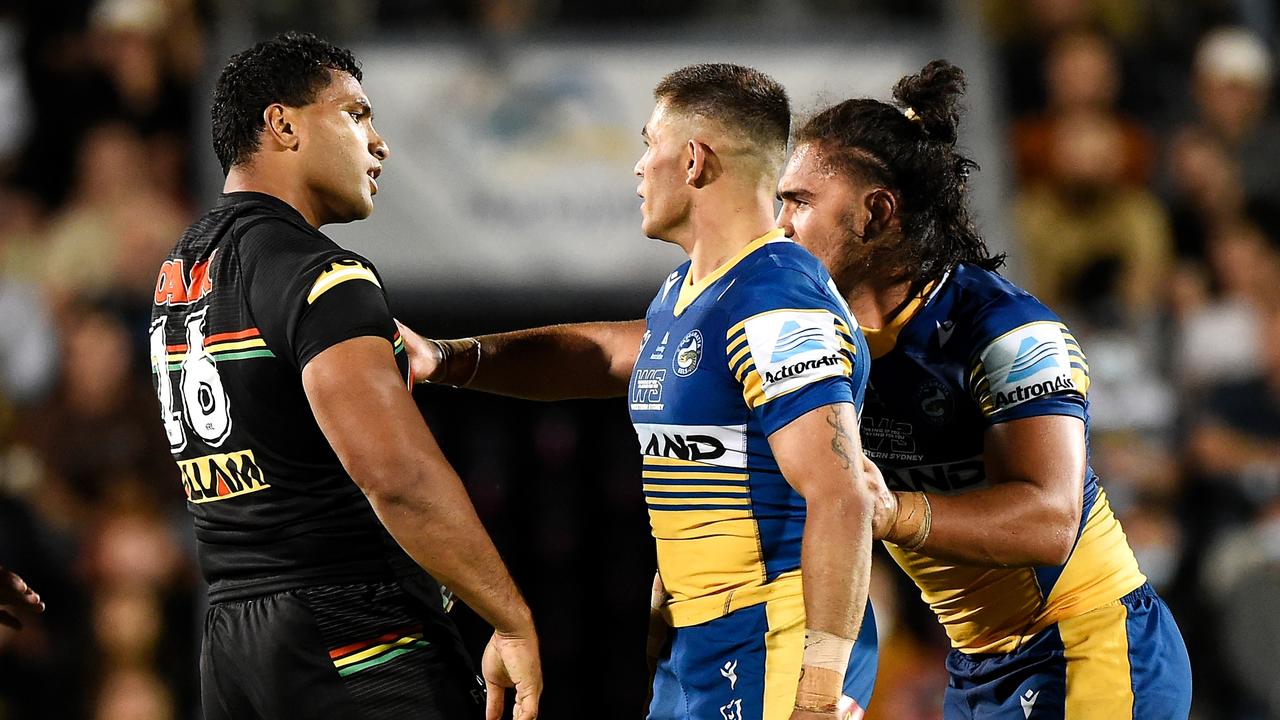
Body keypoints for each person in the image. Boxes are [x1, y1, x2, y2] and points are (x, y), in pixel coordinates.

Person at [403, 64, 882, 719]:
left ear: (693, 161)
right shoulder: (690, 294)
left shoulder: (776, 303)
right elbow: (600, 355)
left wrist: (819, 695)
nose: (637, 167)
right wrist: (453, 359)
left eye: (648, 143)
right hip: (700, 647)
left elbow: (840, 495)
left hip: (773, 642)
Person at [774, 59, 1191, 719]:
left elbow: (1053, 521)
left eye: (798, 201)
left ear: (876, 212)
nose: (781, 225)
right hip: (976, 664)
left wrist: (894, 513)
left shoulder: (1008, 333)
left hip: (1087, 646)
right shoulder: (813, 339)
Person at [148, 32, 540, 720]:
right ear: (283, 124)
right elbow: (396, 475)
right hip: (350, 631)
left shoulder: (181, 273)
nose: (379, 142)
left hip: (230, 641)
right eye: (356, 114)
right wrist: (508, 615)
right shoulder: (320, 274)